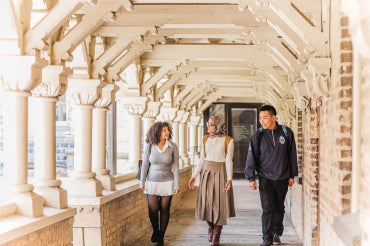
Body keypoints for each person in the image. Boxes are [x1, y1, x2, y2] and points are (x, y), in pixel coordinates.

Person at [245, 104, 298, 246]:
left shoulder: (286, 132)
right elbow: (252, 156)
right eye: (260, 118)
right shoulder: (258, 135)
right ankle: (266, 238)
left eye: (265, 117)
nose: (262, 121)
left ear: (273, 117)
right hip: (265, 177)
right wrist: (251, 177)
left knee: (279, 207)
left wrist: (293, 174)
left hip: (283, 176)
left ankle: (276, 232)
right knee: (268, 207)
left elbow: (292, 154)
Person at [188, 116, 235, 246]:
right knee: (207, 203)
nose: (208, 127)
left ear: (219, 126)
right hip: (207, 174)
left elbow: (228, 160)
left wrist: (229, 178)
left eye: (211, 125)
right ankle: (210, 226)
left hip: (221, 172)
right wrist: (194, 176)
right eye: (207, 124)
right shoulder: (205, 139)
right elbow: (202, 160)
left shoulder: (228, 140)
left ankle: (217, 233)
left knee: (219, 205)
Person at [139, 121, 179, 246]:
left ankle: (161, 237)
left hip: (168, 181)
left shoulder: (173, 146)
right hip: (152, 182)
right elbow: (145, 164)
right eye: (164, 130)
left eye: (167, 130)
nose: (167, 132)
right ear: (157, 132)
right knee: (153, 209)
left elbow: (176, 166)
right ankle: (156, 230)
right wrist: (142, 180)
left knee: (165, 209)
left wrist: (177, 184)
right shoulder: (150, 146)